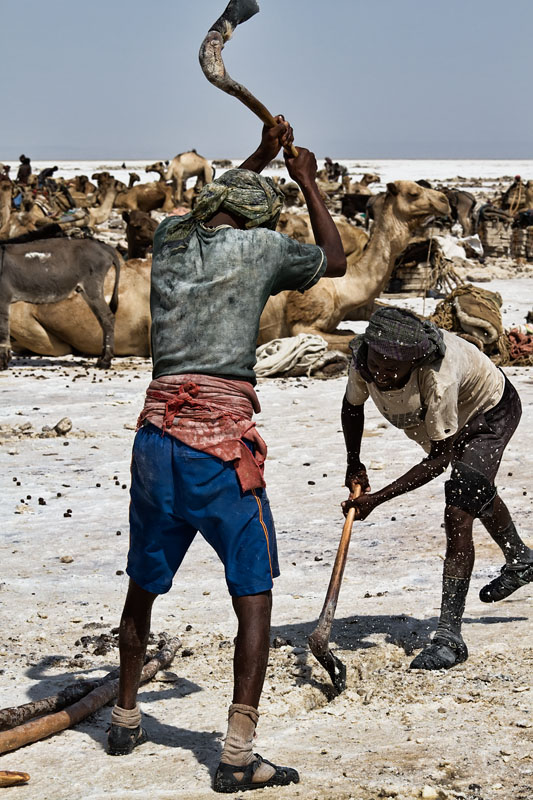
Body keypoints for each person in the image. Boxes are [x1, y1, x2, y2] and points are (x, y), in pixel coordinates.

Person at [107, 117, 346, 793]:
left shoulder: (170, 238)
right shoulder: (264, 248)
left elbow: (211, 206)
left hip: (155, 439)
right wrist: (306, 179)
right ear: (258, 217)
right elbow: (335, 261)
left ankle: (124, 719)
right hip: (217, 446)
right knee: (254, 595)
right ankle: (238, 756)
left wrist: (260, 156)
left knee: (142, 585)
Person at [342, 307, 533, 671]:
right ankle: (522, 559)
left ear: (414, 362)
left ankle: (449, 638)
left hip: (488, 412)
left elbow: (438, 460)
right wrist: (355, 462)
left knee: (459, 508)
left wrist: (378, 499)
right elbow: (352, 407)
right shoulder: (362, 362)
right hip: (449, 421)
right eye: (376, 363)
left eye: (392, 369)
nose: (381, 373)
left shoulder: (437, 378)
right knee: (473, 488)